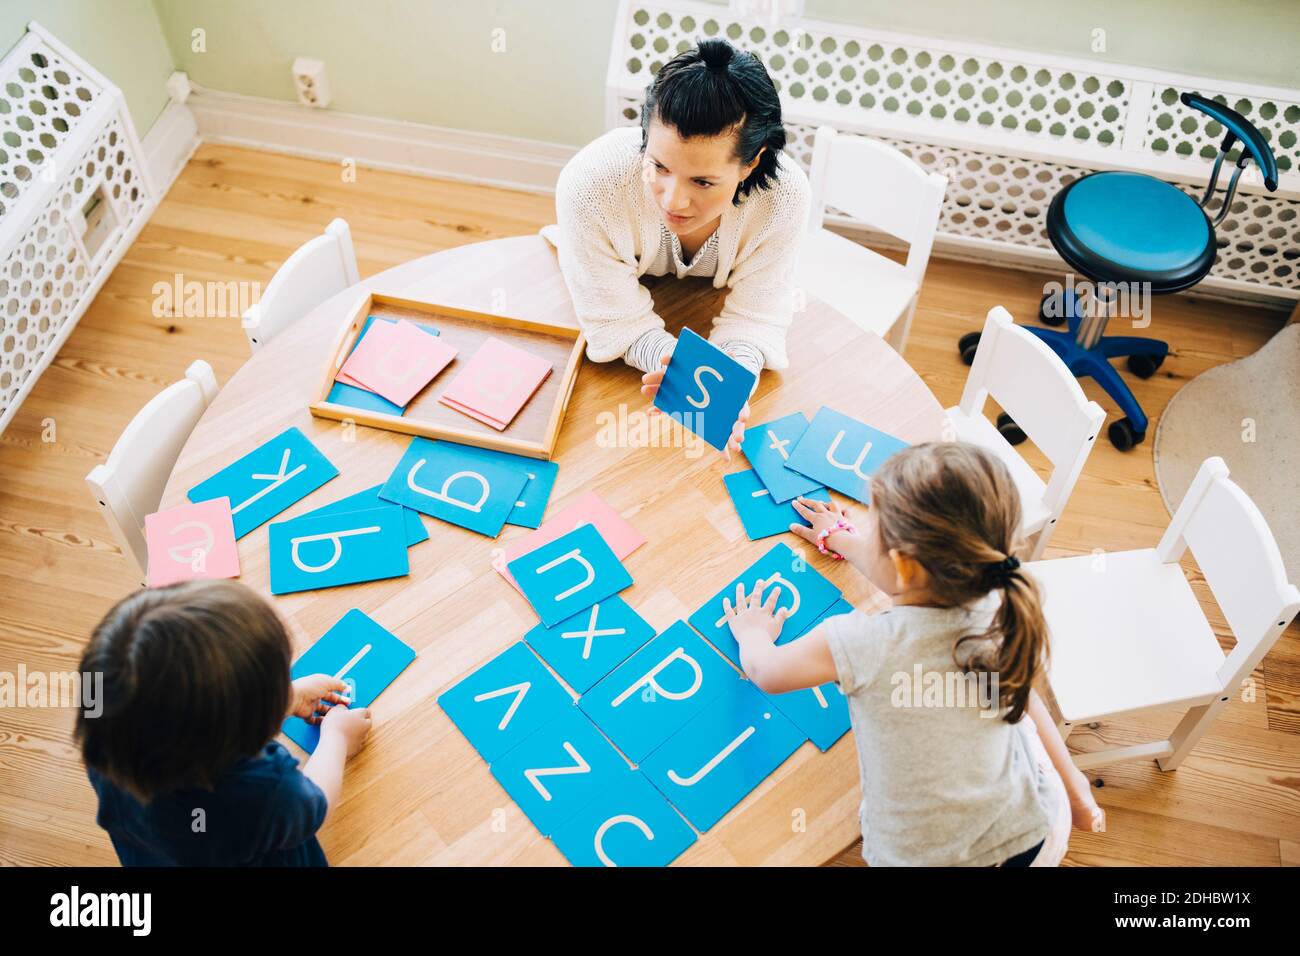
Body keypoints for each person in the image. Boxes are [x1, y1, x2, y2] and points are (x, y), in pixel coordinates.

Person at [724, 442, 1105, 865]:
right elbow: (1021, 697)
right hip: (1036, 834)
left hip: (922, 860)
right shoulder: (998, 603)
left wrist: (753, 634)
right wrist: (1075, 787)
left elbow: (767, 672)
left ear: (905, 565)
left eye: (877, 535)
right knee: (1009, 699)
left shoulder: (861, 643)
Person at [542, 37, 810, 459]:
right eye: (659, 167)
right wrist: (675, 368)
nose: (672, 200)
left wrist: (729, 385)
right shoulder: (589, 184)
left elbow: (757, 317)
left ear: (752, 163)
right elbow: (614, 318)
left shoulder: (785, 197)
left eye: (703, 182)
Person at [75, 579, 372, 866]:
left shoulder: (109, 745)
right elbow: (314, 807)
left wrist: (286, 699)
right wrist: (337, 739)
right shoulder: (263, 791)